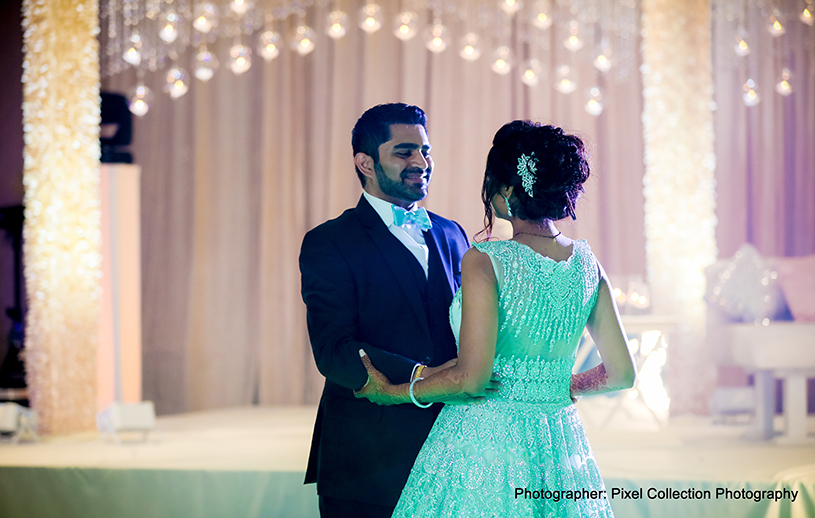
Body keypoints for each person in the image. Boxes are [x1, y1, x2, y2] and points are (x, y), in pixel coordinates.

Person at [356, 120, 637, 517]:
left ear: (506, 190)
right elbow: (623, 373)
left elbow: (472, 380)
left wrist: (395, 392)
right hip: (558, 442)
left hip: (483, 446)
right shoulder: (587, 265)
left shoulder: (488, 259)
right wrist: (558, 383)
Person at [299, 103, 475, 517]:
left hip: (453, 451)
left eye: (425, 151)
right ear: (365, 162)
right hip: (368, 457)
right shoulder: (330, 241)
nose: (421, 162)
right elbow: (333, 348)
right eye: (404, 152)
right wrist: (419, 376)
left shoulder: (453, 233)